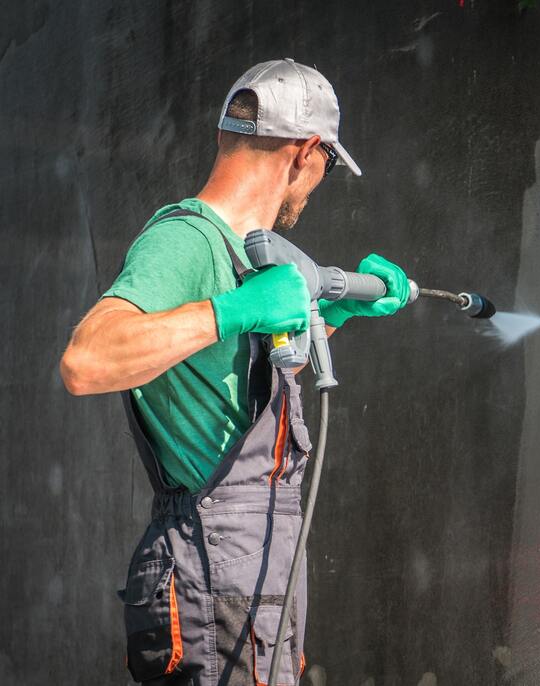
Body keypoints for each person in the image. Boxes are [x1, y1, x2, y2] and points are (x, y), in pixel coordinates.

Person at [60, 58, 408, 686]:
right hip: (209, 567)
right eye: (328, 164)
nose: (319, 181)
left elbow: (222, 375)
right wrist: (232, 311)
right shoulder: (186, 240)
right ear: (306, 151)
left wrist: (335, 315)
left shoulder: (237, 252)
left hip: (250, 573)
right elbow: (88, 360)